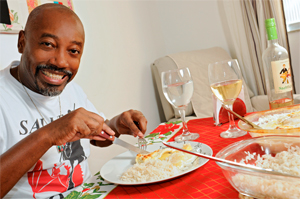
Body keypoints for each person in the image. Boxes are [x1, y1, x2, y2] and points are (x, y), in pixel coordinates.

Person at [0, 3, 147, 199]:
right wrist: (50, 134)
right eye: (48, 44)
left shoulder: (72, 91)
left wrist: (115, 125)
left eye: (73, 51)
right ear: (22, 42)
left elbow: (94, 137)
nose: (60, 62)